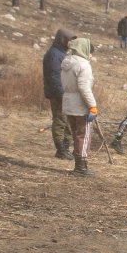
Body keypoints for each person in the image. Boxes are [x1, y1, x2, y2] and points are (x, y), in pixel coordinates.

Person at [60, 38, 98, 176]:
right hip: (80, 104)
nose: (91, 55)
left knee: (76, 134)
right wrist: (92, 106)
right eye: (90, 52)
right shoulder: (83, 65)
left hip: (68, 102)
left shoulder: (66, 63)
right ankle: (81, 167)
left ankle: (79, 164)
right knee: (83, 135)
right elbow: (84, 88)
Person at [42, 28, 77, 161]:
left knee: (66, 121)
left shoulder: (61, 53)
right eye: (69, 40)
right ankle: (61, 150)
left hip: (63, 93)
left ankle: (65, 149)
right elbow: (54, 76)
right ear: (63, 40)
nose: (71, 44)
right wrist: (62, 94)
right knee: (60, 121)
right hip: (58, 94)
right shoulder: (54, 55)